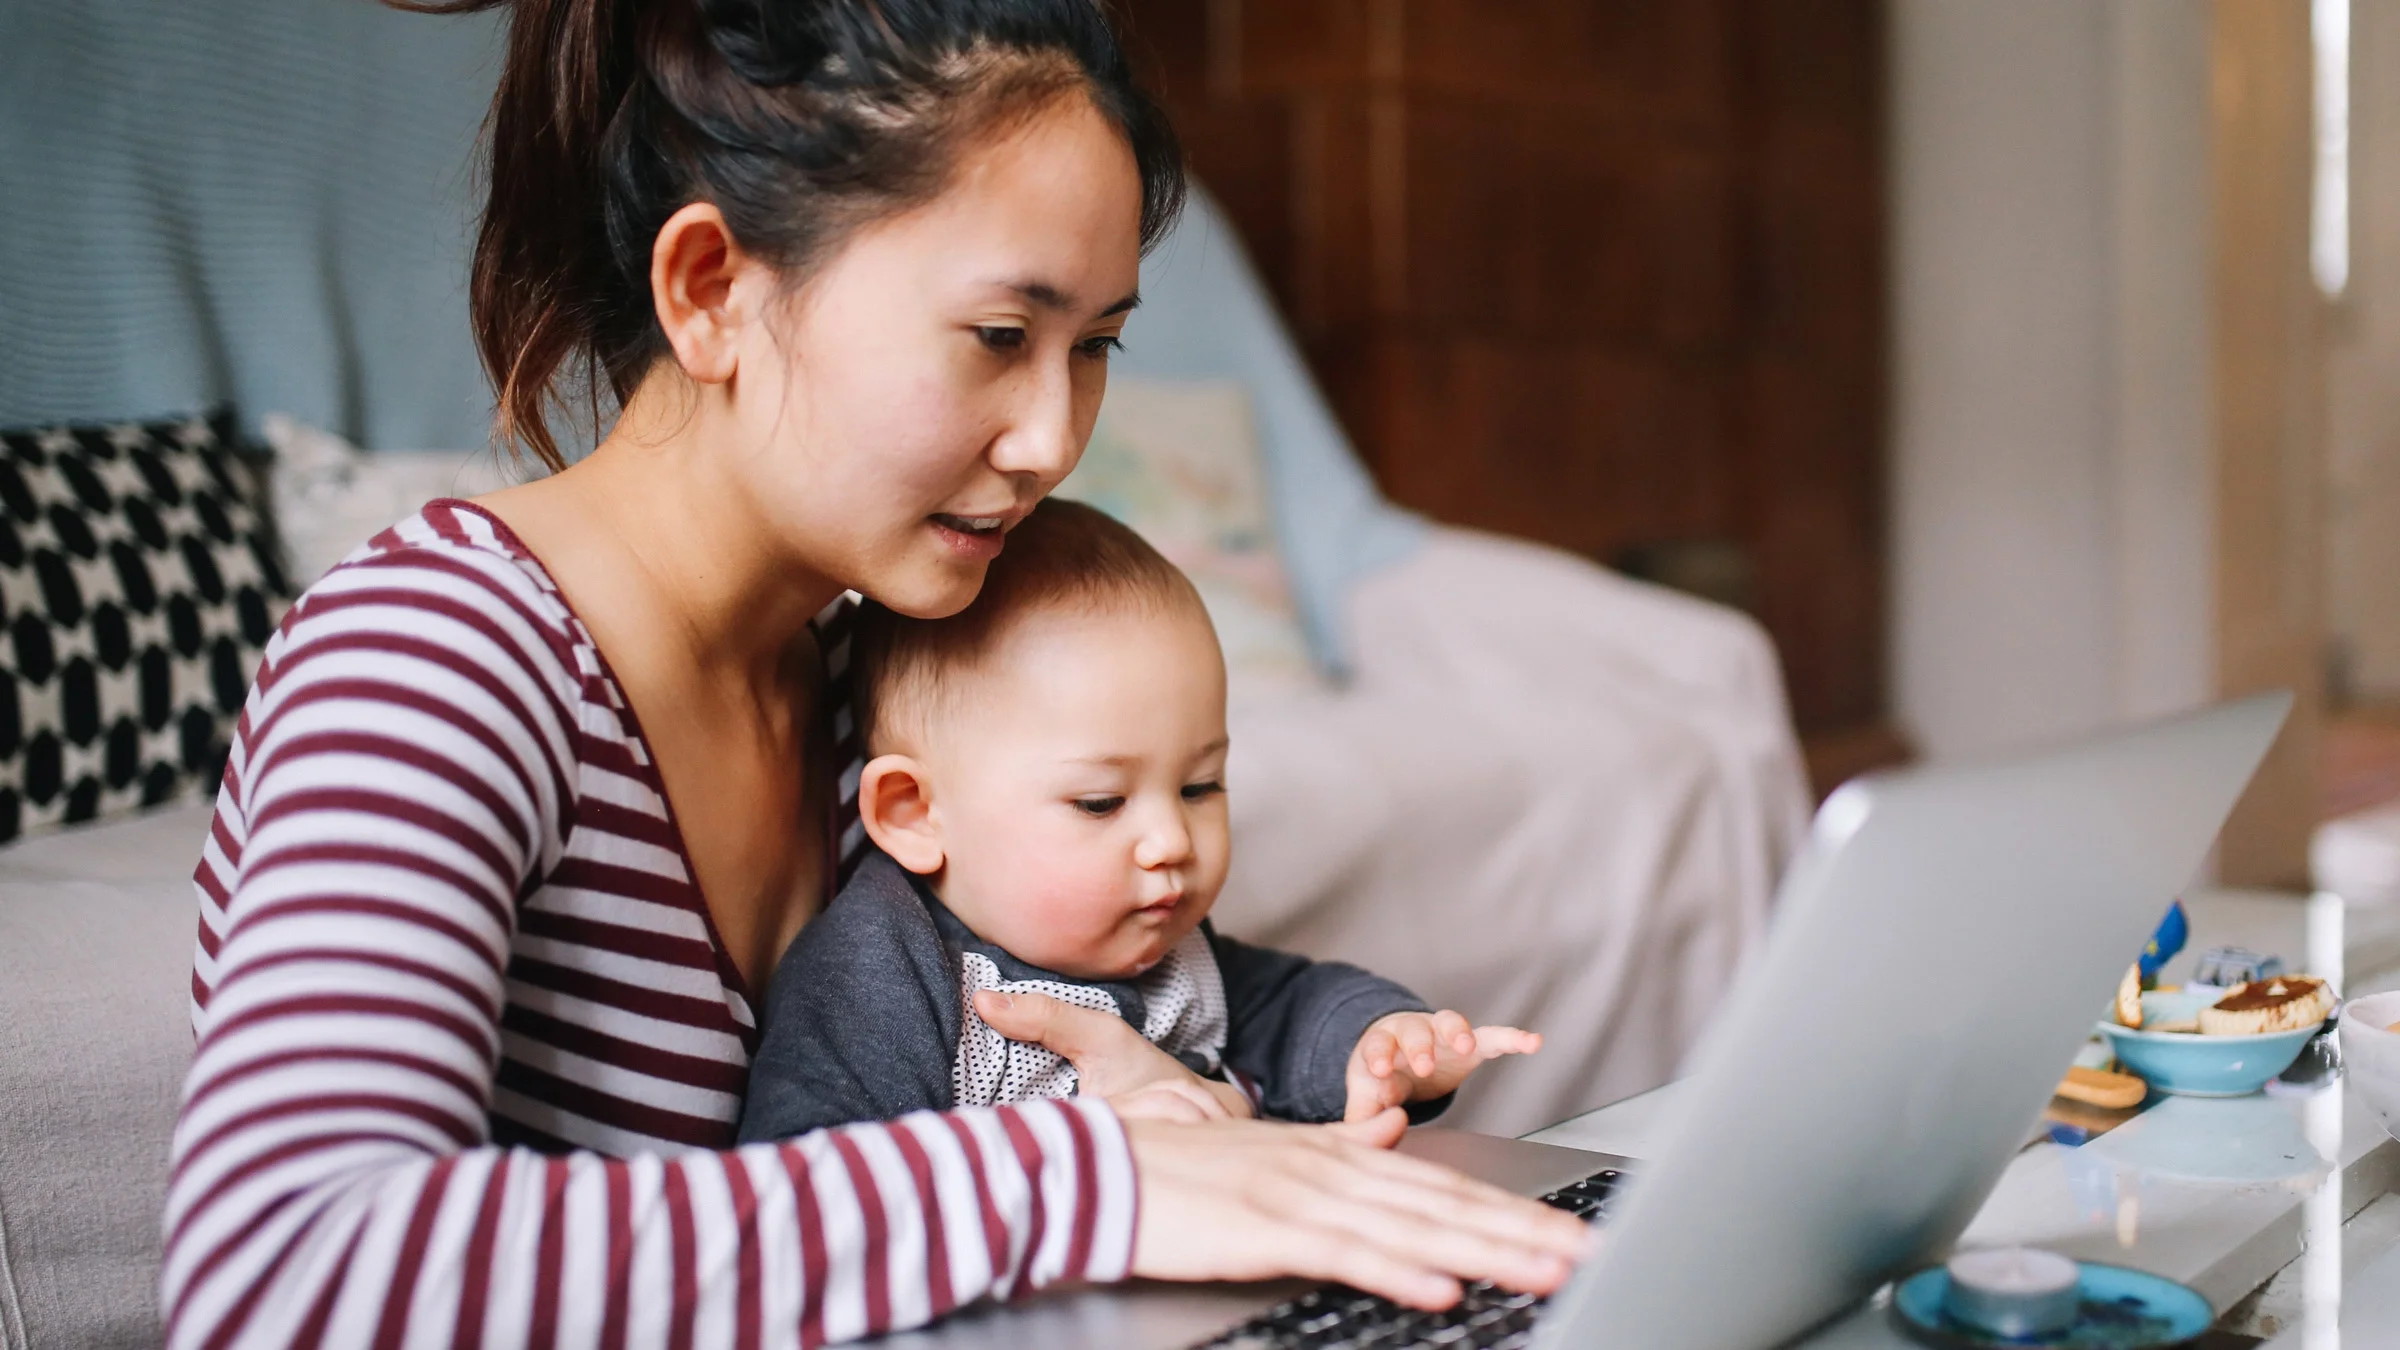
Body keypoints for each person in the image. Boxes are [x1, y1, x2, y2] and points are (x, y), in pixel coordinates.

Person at [161, 1, 1587, 1345]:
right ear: (712, 289)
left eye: (1093, 348)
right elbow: (284, 1266)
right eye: (997, 337)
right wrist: (1067, 1181)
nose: (1052, 438)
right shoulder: (434, 662)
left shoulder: (891, 688)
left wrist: (1188, 1110)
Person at [735, 499, 1540, 1141]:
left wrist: (1382, 1043)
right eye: (1100, 803)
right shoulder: (882, 972)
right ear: (915, 815)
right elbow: (818, 1186)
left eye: (1200, 786)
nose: (1170, 843)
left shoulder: (1165, 948)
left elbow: (1290, 1007)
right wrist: (1075, 1149)